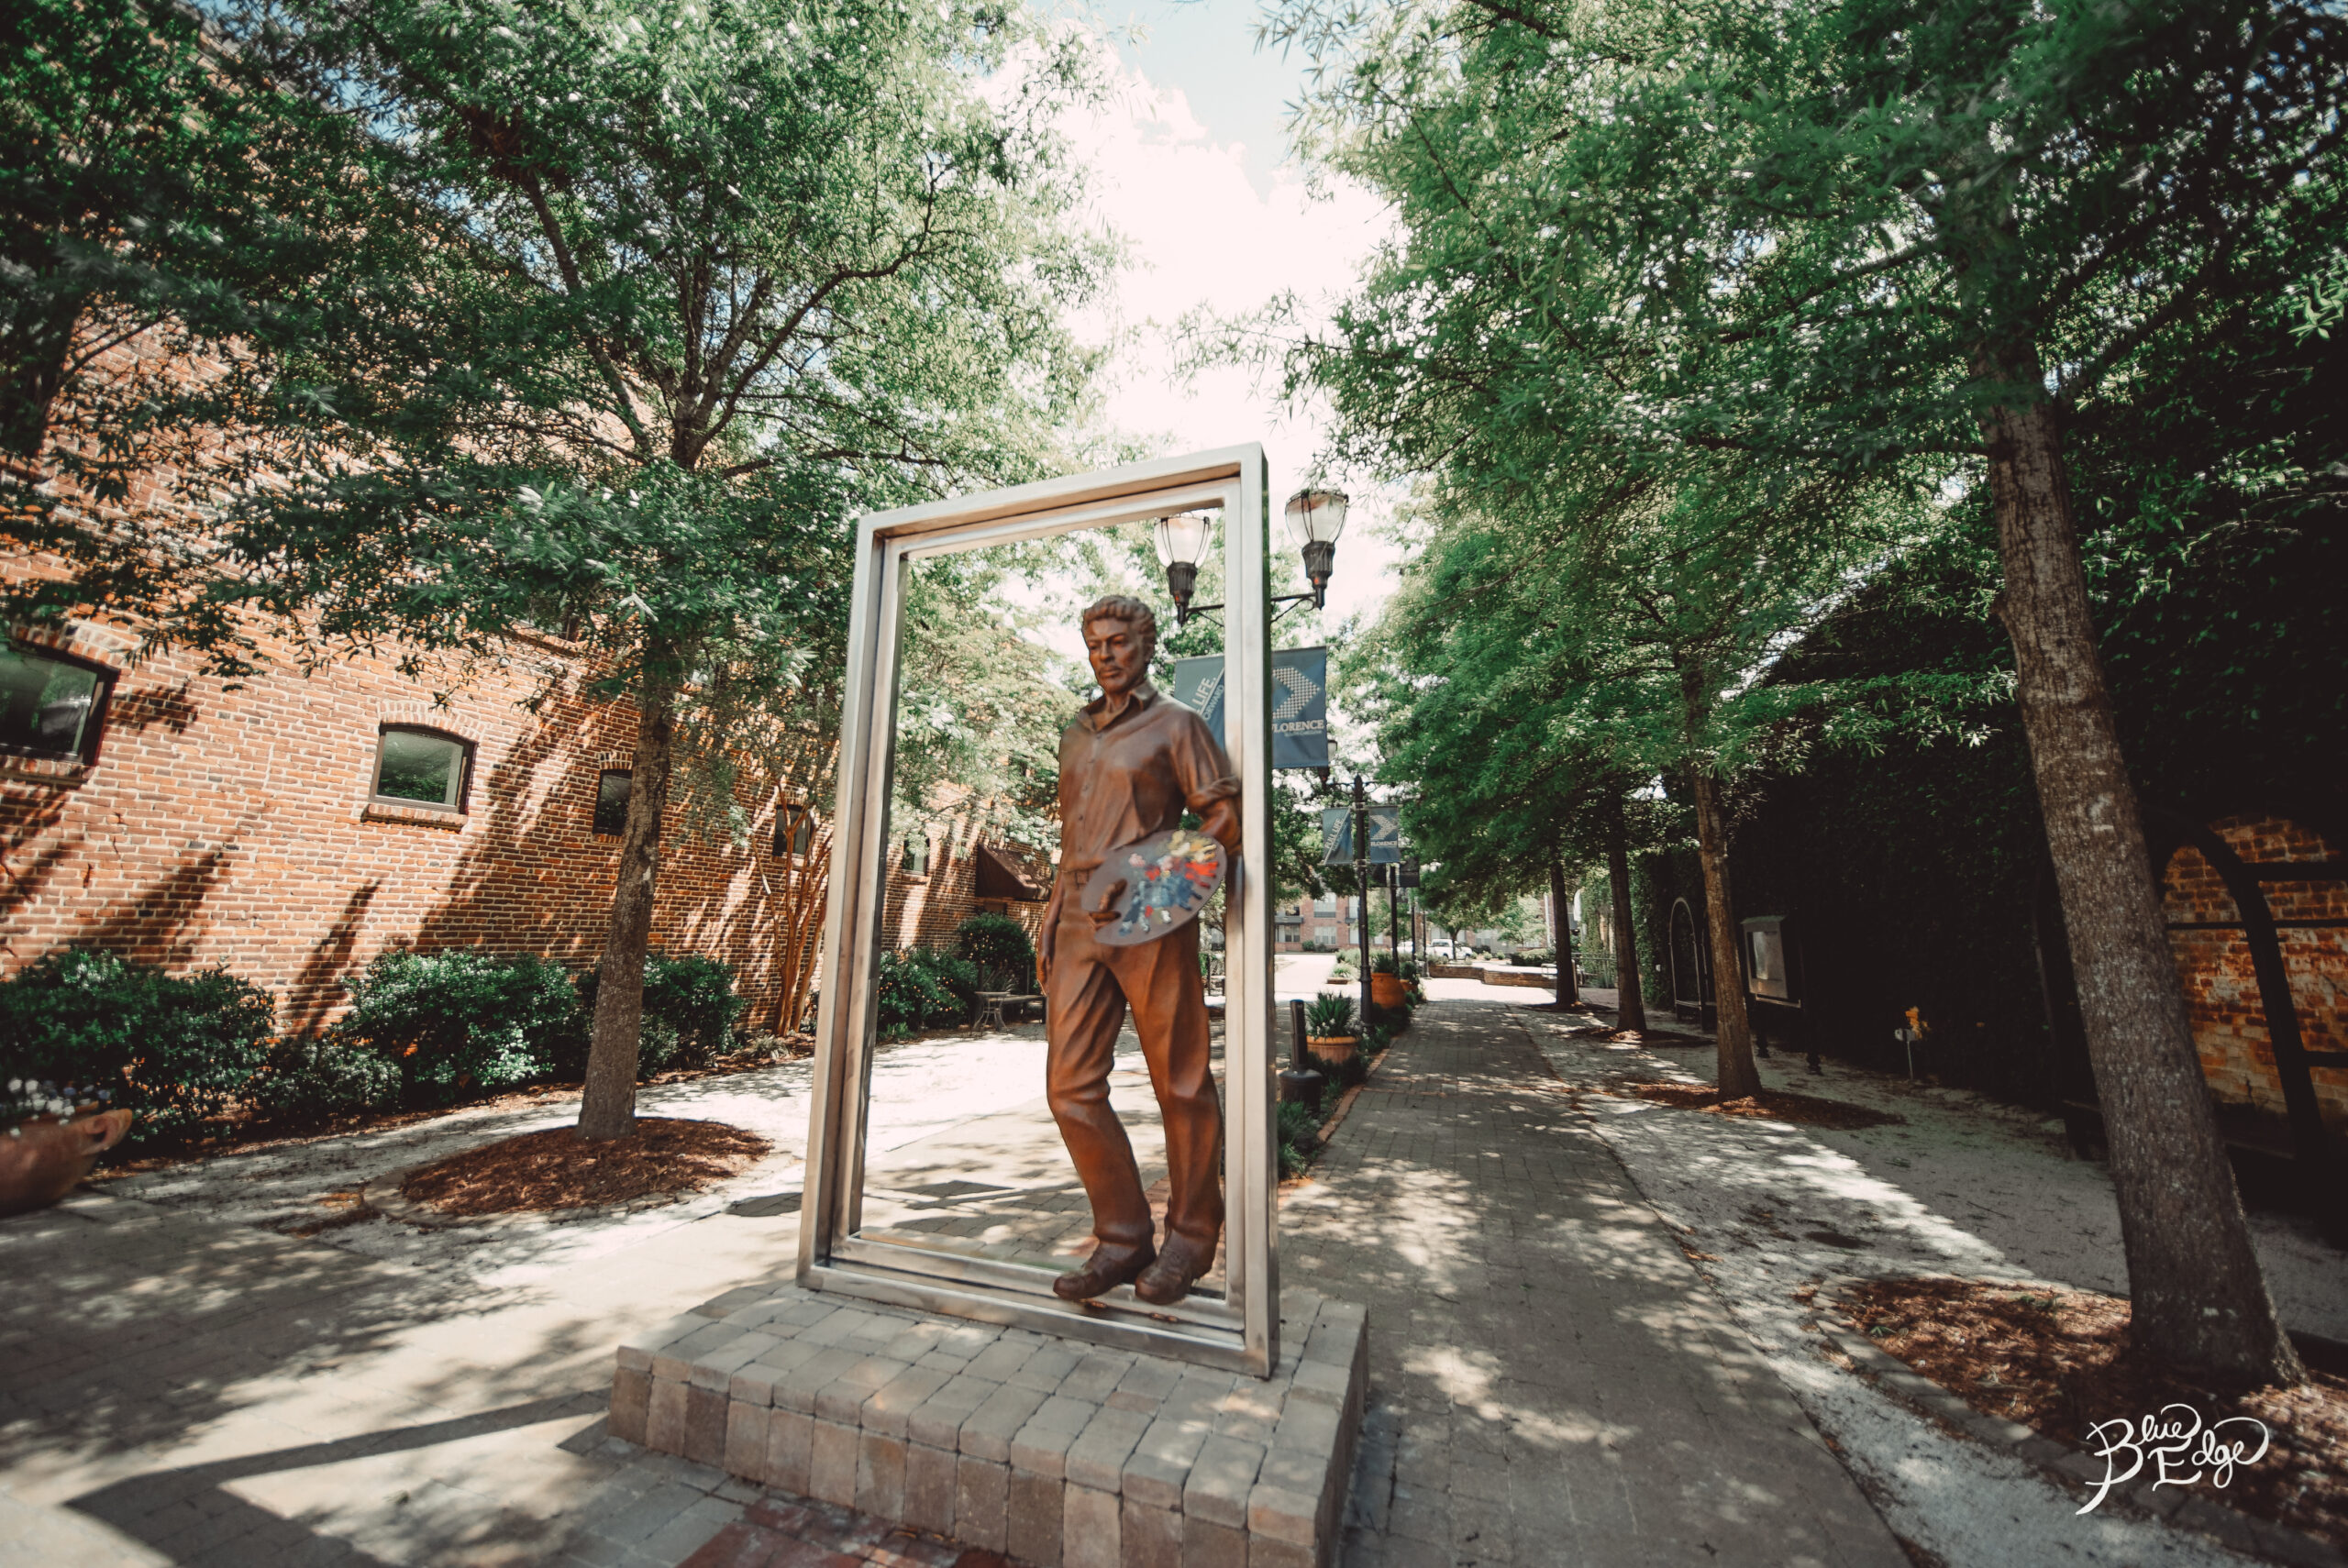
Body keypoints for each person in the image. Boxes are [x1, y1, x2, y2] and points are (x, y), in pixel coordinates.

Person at [1037, 594, 1239, 1306]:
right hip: (1078, 921)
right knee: (1069, 1087)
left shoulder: (1176, 724)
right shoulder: (1075, 731)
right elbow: (1070, 834)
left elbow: (1223, 820)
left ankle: (1191, 1237)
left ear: (1146, 645)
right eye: (1095, 644)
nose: (1106, 655)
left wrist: (1152, 883)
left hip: (1150, 917)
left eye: (1119, 642)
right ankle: (1122, 1238)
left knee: (1179, 1081)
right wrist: (1055, 907)